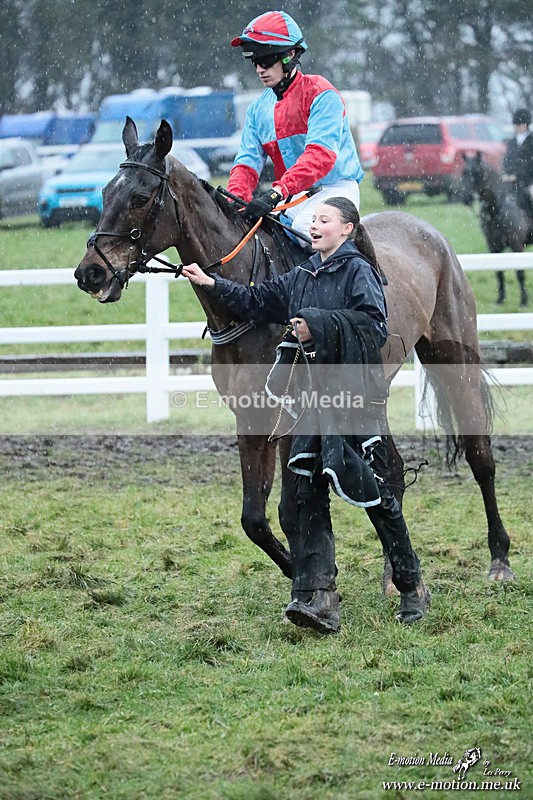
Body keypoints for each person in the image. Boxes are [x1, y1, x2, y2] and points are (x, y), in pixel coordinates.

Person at [182, 198, 430, 633]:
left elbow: (373, 327)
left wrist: (317, 322)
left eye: (324, 220)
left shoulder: (359, 272)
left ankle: (411, 584)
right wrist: (211, 283)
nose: (314, 226)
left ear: (347, 230)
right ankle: (318, 596)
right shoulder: (300, 276)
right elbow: (256, 300)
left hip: (353, 401)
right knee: (305, 494)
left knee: (374, 496)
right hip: (311, 403)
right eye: (313, 220)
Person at [226, 10, 364, 245]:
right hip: (294, 196)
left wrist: (278, 191)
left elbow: (320, 155)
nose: (259, 69)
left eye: (266, 61)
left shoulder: (321, 93)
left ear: (290, 55)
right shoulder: (257, 110)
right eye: (255, 62)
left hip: (335, 189)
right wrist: (233, 201)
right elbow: (247, 163)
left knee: (307, 228)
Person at [502, 108, 533, 219]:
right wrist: (506, 173)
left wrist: (518, 175)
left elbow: (529, 163)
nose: (518, 127)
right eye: (516, 125)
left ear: (526, 125)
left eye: (520, 125)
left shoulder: (531, 140)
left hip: (529, 181)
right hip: (512, 181)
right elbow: (507, 159)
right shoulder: (512, 142)